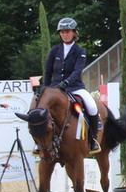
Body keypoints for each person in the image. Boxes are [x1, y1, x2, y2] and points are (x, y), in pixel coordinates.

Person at [42, 17, 101, 155]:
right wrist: (45, 87)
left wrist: (67, 82)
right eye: (62, 32)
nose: (64, 34)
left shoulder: (80, 51)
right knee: (38, 108)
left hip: (75, 87)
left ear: (74, 33)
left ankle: (93, 139)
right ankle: (40, 144)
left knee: (92, 106)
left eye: (67, 31)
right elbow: (48, 71)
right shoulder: (54, 51)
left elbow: (77, 71)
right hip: (55, 88)